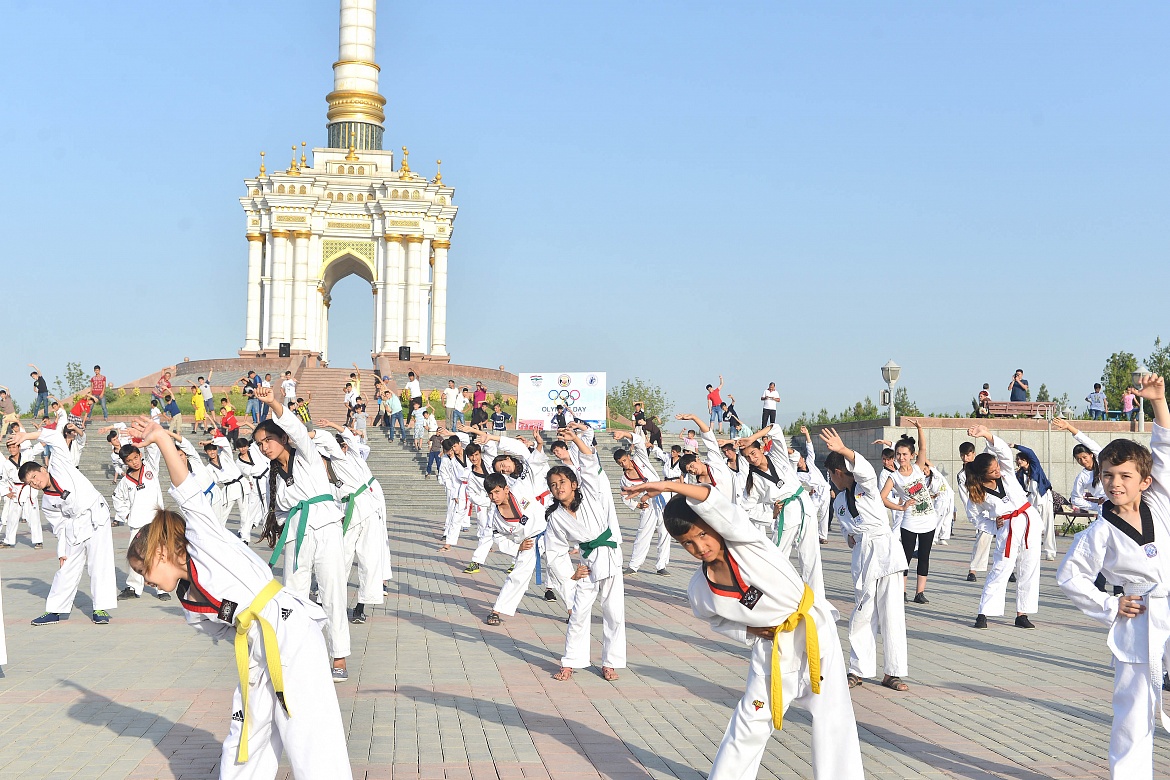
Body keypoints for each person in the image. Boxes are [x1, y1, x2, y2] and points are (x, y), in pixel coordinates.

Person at [123, 417, 353, 779]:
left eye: (144, 571)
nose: (146, 581)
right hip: (256, 648)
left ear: (161, 553)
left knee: (309, 733)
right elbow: (228, 632)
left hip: (288, 631)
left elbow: (186, 490)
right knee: (246, 733)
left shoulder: (203, 541)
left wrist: (162, 441)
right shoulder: (189, 604)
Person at [624, 478, 865, 780]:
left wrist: (671, 486)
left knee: (833, 718)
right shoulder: (699, 589)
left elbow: (713, 500)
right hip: (772, 649)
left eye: (702, 534)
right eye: (688, 543)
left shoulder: (745, 541)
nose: (700, 546)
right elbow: (717, 621)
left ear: (714, 524)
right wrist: (752, 631)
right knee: (749, 722)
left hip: (814, 633)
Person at [1056, 374, 1169, 780]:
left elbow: (1164, 448)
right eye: (1107, 476)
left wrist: (1158, 402)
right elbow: (1070, 577)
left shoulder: (1160, 503)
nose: (1115, 483)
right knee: (1134, 710)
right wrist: (1111, 604)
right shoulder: (1098, 531)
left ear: (1145, 481)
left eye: (1124, 476)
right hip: (1138, 617)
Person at [251, 386, 351, 682]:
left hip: (326, 528)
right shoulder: (272, 477)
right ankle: (295, 652)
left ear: (283, 438)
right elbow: (279, 513)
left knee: (332, 591)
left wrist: (273, 403)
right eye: (260, 444)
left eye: (269, 439)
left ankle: (339, 656)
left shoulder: (305, 455)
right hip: (296, 536)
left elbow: (294, 424)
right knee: (293, 596)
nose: (265, 446)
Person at [819, 427, 910, 691]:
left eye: (831, 475)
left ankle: (893, 672)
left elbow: (866, 471)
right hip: (864, 557)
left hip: (887, 554)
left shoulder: (866, 488)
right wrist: (851, 537)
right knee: (862, 614)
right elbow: (849, 529)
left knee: (892, 614)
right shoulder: (839, 503)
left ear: (838, 472)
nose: (831, 480)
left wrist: (844, 450)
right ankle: (858, 669)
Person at [11, 422, 118, 626]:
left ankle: (100, 608)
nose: (34, 482)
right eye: (30, 482)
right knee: (67, 567)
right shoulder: (47, 502)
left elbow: (54, 437)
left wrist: (27, 436)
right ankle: (55, 610)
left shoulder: (59, 464)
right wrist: (62, 552)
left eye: (34, 476)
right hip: (74, 525)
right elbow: (59, 527)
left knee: (99, 562)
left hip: (96, 515)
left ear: (43, 469)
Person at [545, 428, 626, 682]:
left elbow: (590, 463)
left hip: (609, 558)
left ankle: (610, 662)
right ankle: (571, 661)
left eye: (562, 482)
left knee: (613, 612)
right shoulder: (556, 517)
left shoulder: (591, 495)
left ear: (574, 484)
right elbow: (554, 549)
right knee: (578, 613)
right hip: (587, 564)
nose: (558, 487)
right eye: (553, 485)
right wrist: (571, 572)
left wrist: (576, 440)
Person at [965, 424, 1042, 629]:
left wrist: (987, 435)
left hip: (1028, 519)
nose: (998, 470)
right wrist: (992, 524)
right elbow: (974, 517)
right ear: (984, 475)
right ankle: (984, 612)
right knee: (1001, 568)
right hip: (1007, 526)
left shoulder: (1006, 472)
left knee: (1029, 567)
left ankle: (1022, 613)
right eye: (993, 471)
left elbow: (1005, 453)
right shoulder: (977, 492)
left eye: (997, 466)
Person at [737, 424, 824, 601]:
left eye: (753, 453)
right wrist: (771, 514)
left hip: (804, 505)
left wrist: (752, 437)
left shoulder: (777, 456)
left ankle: (817, 602)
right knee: (775, 557)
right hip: (785, 512)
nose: (752, 459)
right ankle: (755, 599)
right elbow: (746, 508)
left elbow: (775, 428)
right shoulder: (752, 481)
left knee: (811, 558)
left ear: (761, 449)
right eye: (747, 457)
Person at [312, 420, 386, 626]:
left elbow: (348, 437)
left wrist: (332, 425)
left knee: (369, 559)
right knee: (339, 558)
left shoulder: (346, 457)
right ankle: (324, 602)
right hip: (346, 514)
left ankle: (361, 607)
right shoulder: (320, 473)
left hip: (368, 509)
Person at [879, 420, 938, 604]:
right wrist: (901, 507)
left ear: (911, 455)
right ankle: (901, 591)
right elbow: (882, 498)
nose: (901, 457)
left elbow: (923, 447)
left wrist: (920, 428)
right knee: (905, 557)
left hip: (928, 520)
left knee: (924, 556)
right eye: (898, 454)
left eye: (904, 454)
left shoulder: (919, 469)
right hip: (910, 522)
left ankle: (919, 593)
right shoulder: (893, 476)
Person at [112, 438, 170, 601]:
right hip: (137, 522)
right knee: (136, 555)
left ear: (140, 455)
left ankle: (162, 587)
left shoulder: (151, 468)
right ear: (125, 462)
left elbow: (154, 450)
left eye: (135, 458)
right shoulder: (125, 481)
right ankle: (133, 587)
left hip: (156, 520)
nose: (134, 462)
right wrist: (126, 515)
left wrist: (146, 440)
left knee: (159, 554)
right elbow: (117, 498)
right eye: (129, 460)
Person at [612, 427, 670, 576]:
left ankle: (661, 565)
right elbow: (624, 496)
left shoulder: (639, 459)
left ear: (628, 457)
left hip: (661, 496)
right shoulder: (624, 479)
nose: (623, 464)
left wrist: (624, 433)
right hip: (647, 502)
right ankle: (634, 565)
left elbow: (638, 441)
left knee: (665, 532)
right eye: (620, 463)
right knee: (643, 533)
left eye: (624, 460)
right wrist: (636, 504)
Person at [1011, 442, 1057, 561]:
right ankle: (1032, 549)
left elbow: (1030, 452)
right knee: (1032, 525)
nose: (1019, 461)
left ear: (1027, 460)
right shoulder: (1019, 474)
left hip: (1043, 496)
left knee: (1047, 524)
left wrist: (1015, 446)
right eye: (1017, 459)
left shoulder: (1035, 467)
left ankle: (1050, 551)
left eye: (1021, 459)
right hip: (1031, 499)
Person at [1054, 418, 1107, 514]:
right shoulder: (1082, 477)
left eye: (1084, 457)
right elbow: (1075, 499)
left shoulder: (1102, 462)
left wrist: (1069, 427)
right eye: (1078, 459)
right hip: (1104, 508)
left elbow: (1089, 442)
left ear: (1091, 454)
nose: (1082, 461)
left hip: (1119, 502)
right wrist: (1095, 505)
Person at [0, 434, 45, 549]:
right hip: (16, 490)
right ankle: (8, 540)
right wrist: (6, 492)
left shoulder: (27, 454)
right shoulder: (6, 464)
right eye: (9, 447)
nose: (12, 449)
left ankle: (38, 540)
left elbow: (39, 446)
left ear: (19, 447)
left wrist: (48, 436)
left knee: (33, 516)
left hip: (29, 488)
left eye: (14, 446)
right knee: (12, 517)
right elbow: (3, 479)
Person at [958, 442, 991, 582]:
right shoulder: (962, 475)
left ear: (973, 454)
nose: (966, 457)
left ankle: (1010, 568)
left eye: (968, 454)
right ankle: (973, 570)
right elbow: (965, 497)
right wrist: (973, 513)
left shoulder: (981, 469)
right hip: (977, 510)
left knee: (1005, 537)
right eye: (963, 455)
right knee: (982, 536)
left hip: (991, 506)